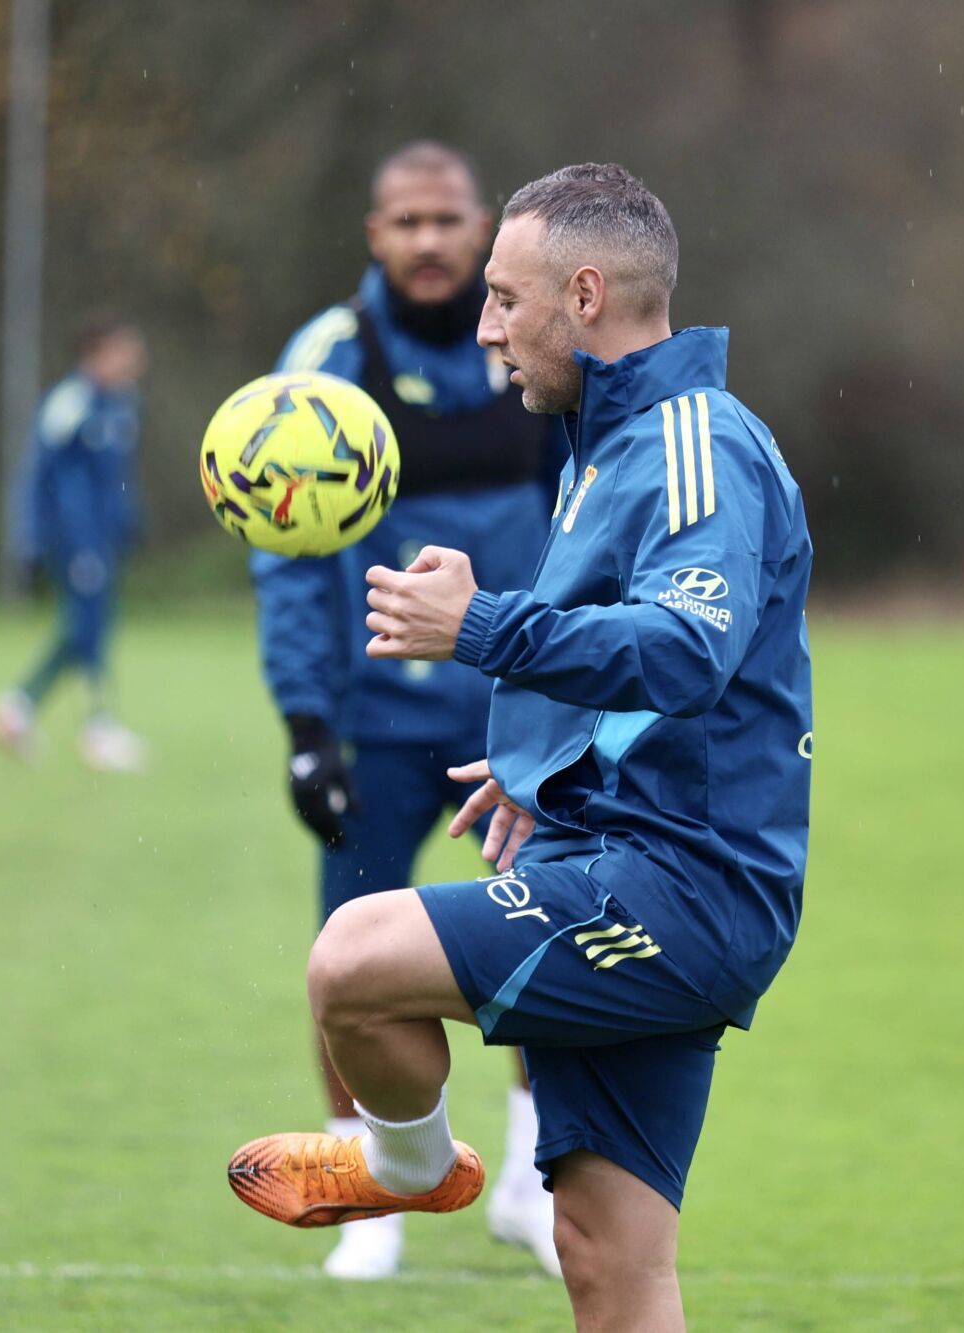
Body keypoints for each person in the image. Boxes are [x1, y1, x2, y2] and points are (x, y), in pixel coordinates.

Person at [226, 163, 813, 1330]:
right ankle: (410, 1165)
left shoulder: (692, 443)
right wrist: (549, 760)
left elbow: (687, 647)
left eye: (506, 297)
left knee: (350, 955)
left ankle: (402, 1167)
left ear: (584, 294)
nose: (486, 328)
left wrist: (476, 625)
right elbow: (672, 663)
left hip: (678, 888)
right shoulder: (605, 442)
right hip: (623, 858)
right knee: (609, 1261)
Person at [249, 141, 565, 1280]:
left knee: (544, 935)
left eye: (447, 221)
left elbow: (580, 524)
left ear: (482, 229)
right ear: (371, 236)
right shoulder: (329, 361)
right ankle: (370, 1186)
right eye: (405, 222)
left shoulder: (528, 349)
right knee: (350, 958)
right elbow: (286, 555)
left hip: (517, 713)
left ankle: (532, 1182)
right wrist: (302, 723)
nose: (429, 242)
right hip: (374, 719)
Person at [0, 317, 149, 773]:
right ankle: (97, 730)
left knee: (85, 629)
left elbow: (115, 478)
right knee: (88, 628)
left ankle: (16, 710)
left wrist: (130, 521)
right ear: (97, 352)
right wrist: (30, 540)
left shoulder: (125, 404)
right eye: (124, 349)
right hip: (74, 540)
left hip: (103, 538)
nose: (135, 358)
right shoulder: (69, 403)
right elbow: (37, 473)